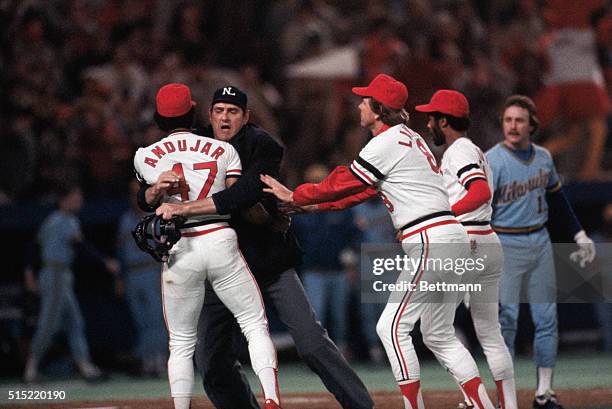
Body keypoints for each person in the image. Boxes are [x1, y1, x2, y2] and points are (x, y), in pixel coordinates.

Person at [261, 73, 496, 409]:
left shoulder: (384, 143)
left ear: (378, 108)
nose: (359, 103)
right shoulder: (409, 138)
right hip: (450, 236)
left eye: (365, 99)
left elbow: (345, 181)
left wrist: (297, 193)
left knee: (390, 327)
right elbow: (361, 191)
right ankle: (483, 404)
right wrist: (306, 204)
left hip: (430, 239)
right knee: (439, 335)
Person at [151, 85, 374, 409]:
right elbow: (151, 188)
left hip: (266, 260)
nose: (224, 117)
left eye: (232, 111)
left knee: (311, 342)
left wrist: (189, 207)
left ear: (246, 116)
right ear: (209, 114)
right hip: (218, 265)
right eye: (218, 111)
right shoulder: (194, 142)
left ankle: (361, 406)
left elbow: (245, 193)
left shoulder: (263, 145)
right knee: (211, 361)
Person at [133, 83, 281, 409]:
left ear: (158, 118)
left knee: (181, 343)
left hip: (179, 247)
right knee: (254, 325)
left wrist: (157, 190)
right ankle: (271, 399)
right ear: (195, 110)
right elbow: (234, 200)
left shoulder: (145, 155)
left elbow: (144, 200)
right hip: (219, 238)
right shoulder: (223, 149)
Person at [485, 95, 597, 409]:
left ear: (532, 125)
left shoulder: (544, 158)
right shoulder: (491, 159)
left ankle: (543, 393)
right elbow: (480, 207)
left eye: (519, 120)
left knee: (547, 319)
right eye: (508, 120)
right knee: (505, 321)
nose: (512, 126)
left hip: (539, 242)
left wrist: (578, 233)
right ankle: (505, 396)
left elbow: (558, 202)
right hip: (505, 243)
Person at [415, 90, 518, 409]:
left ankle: (479, 403)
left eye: (432, 117)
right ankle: (507, 405)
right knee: (489, 331)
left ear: (443, 121)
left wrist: (444, 215)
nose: (428, 122)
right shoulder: (472, 149)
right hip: (487, 239)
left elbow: (479, 191)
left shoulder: (458, 150)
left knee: (434, 331)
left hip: (467, 243)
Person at [23, 183, 116, 383]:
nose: (79, 201)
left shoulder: (53, 220)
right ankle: (30, 369)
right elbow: (80, 247)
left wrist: (29, 272)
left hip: (60, 274)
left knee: (75, 323)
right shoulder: (64, 221)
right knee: (49, 324)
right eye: (75, 197)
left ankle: (86, 367)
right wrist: (104, 262)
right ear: (64, 199)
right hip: (55, 274)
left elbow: (34, 247)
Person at [292, 163, 361, 354]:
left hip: (339, 271)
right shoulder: (301, 213)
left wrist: (352, 264)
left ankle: (342, 352)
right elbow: (292, 239)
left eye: (319, 182)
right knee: (316, 316)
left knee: (340, 318)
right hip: (313, 271)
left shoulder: (339, 208)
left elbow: (353, 236)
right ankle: (317, 354)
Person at [115, 180, 167, 377]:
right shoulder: (126, 220)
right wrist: (120, 277)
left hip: (151, 271)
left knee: (156, 318)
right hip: (132, 275)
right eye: (131, 194)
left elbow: (166, 248)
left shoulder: (156, 217)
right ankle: (147, 362)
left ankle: (159, 361)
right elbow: (119, 250)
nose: (134, 198)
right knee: (141, 320)